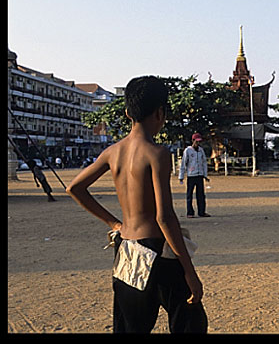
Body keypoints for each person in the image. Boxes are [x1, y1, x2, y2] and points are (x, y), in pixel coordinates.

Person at [66, 76, 208, 333]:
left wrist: (114, 223)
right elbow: (164, 218)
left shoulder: (112, 152)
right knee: (190, 321)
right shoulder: (157, 154)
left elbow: (75, 188)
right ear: (160, 112)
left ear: (127, 112)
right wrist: (190, 272)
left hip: (126, 249)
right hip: (158, 254)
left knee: (130, 327)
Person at [179, 133, 211, 218]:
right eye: (196, 142)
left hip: (199, 175)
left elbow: (204, 163)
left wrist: (205, 175)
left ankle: (202, 211)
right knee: (189, 195)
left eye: (199, 142)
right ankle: (190, 212)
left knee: (201, 195)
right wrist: (181, 176)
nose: (198, 144)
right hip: (191, 175)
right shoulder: (188, 151)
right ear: (193, 141)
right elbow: (183, 164)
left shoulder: (201, 150)